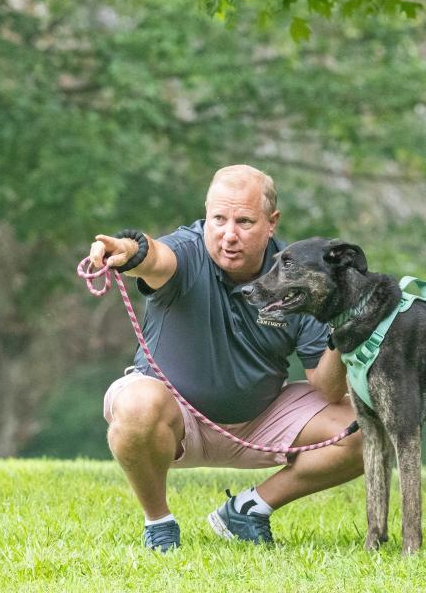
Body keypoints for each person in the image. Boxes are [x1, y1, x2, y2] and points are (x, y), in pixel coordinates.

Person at [89, 164, 363, 552]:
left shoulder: (299, 277)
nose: (228, 235)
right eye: (218, 219)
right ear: (207, 216)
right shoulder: (187, 250)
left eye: (245, 221)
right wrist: (128, 251)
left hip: (261, 421)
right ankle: (159, 523)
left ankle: (249, 509)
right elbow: (153, 257)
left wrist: (340, 323)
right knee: (134, 404)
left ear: (272, 223)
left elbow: (329, 387)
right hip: (177, 418)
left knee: (365, 429)